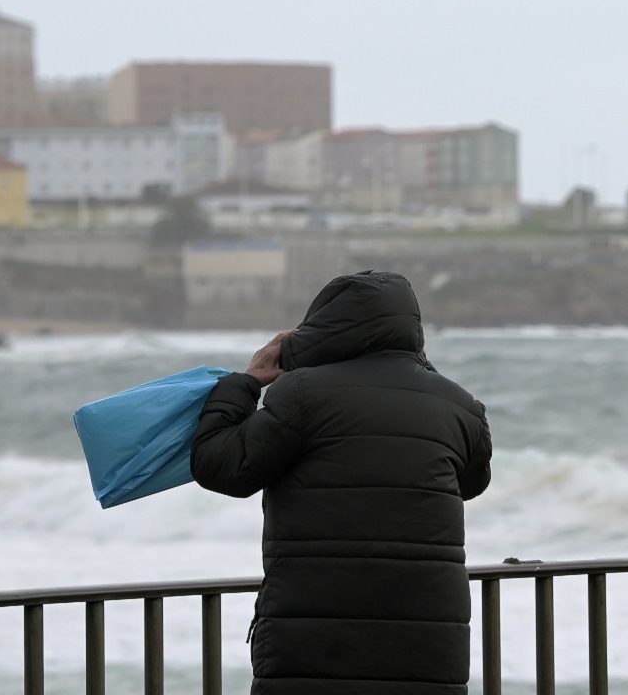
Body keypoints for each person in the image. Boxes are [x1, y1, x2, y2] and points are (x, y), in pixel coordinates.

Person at [191, 270, 493, 695]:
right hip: (427, 649)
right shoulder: (460, 405)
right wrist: (421, 368)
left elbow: (221, 467)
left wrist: (244, 382)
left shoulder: (299, 394)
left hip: (314, 647)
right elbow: (472, 482)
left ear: (322, 326)